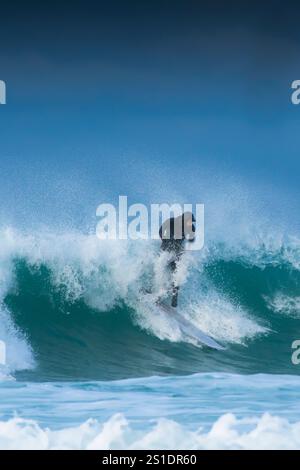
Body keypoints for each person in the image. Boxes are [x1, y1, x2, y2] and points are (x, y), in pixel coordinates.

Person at [159, 212, 196, 308]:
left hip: (177, 252)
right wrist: (166, 240)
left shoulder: (191, 227)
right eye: (189, 222)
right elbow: (160, 231)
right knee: (162, 271)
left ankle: (174, 296)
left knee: (176, 274)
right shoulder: (171, 222)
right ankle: (157, 291)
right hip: (166, 250)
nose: (191, 224)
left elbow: (191, 239)